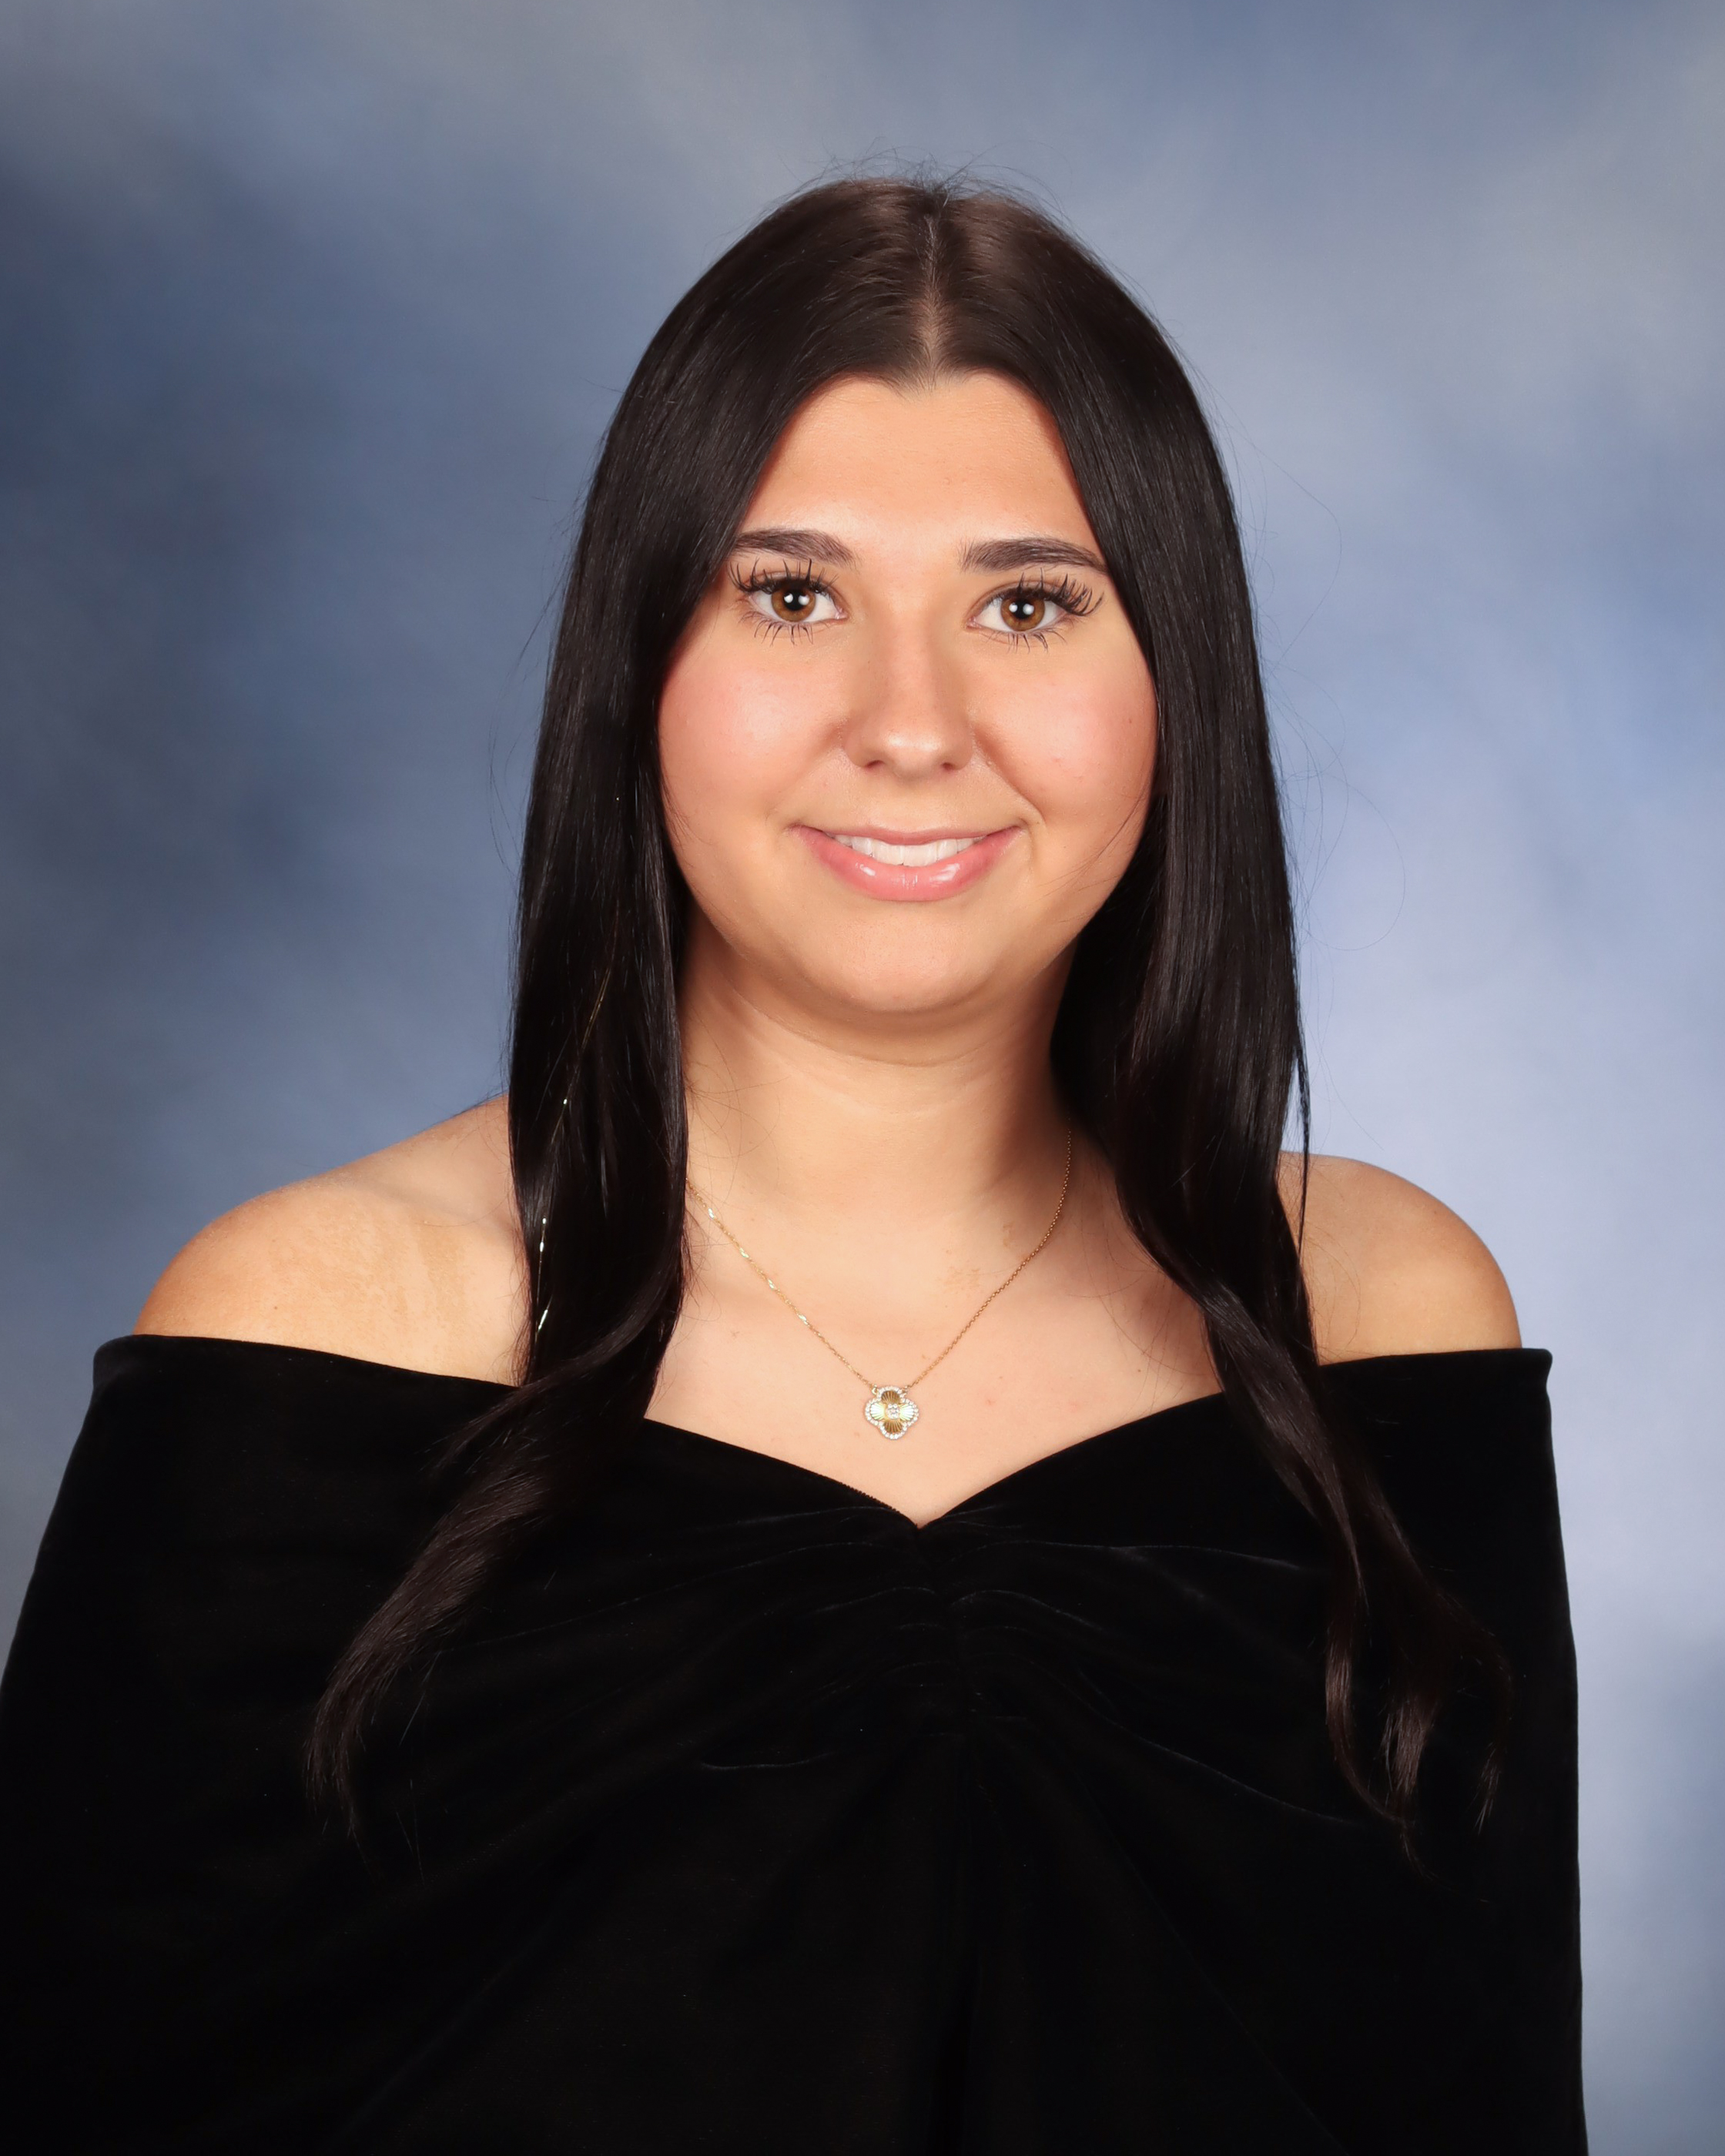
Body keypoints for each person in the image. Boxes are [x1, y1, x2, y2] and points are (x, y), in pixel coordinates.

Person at [0, 176, 1583, 2152]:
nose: (910, 725)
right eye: (792, 595)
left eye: (1027, 603)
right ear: (640, 661)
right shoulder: (313, 1328)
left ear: (1174, 679)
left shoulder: (1378, 1320)